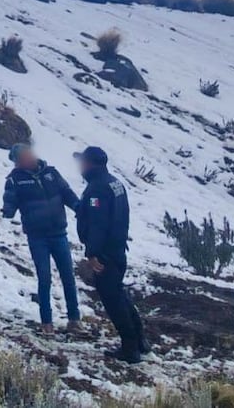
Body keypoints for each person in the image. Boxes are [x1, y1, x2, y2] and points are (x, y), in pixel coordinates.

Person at [74, 146, 149, 363]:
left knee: (114, 301)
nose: (81, 167)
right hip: (117, 250)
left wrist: (93, 253)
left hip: (106, 254)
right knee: (120, 296)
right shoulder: (115, 183)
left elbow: (98, 224)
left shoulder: (97, 189)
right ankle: (139, 340)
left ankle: (130, 348)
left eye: (83, 162)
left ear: (89, 163)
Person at [2, 143, 82, 334]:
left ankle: (74, 320)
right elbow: (9, 202)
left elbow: (67, 193)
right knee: (44, 278)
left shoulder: (51, 173)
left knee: (68, 277)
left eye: (27, 155)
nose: (27, 159)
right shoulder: (15, 180)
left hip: (59, 234)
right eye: (21, 159)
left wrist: (79, 207)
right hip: (37, 238)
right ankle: (47, 322)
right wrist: (8, 209)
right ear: (17, 163)